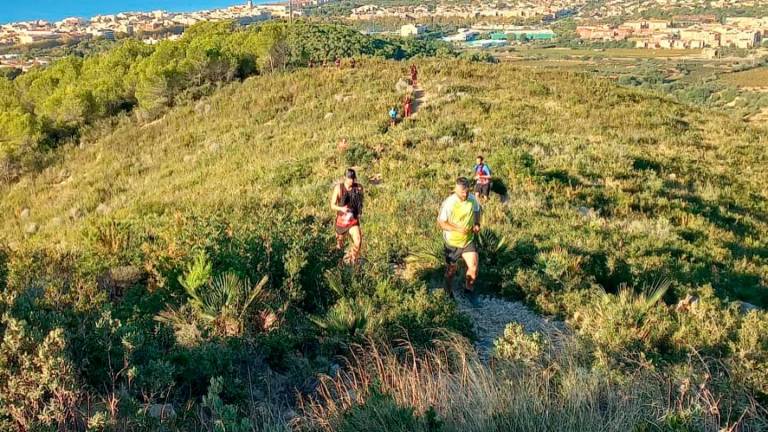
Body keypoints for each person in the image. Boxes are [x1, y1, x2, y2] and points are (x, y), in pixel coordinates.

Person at [438, 177, 482, 297]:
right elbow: (441, 223)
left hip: (468, 240)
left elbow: (477, 210)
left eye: (467, 191)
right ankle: (447, 292)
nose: (465, 194)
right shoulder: (449, 203)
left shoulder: (472, 199)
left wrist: (477, 224)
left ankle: (468, 288)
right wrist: (458, 229)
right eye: (463, 192)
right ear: (456, 190)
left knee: (473, 268)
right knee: (451, 271)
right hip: (452, 242)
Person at [331, 169, 364, 264]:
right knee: (339, 246)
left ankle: (353, 260)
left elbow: (361, 200)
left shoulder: (358, 188)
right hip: (341, 222)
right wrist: (341, 209)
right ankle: (337, 265)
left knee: (358, 240)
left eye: (353, 178)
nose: (352, 181)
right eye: (349, 178)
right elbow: (332, 205)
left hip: (352, 220)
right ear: (345, 178)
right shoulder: (339, 188)